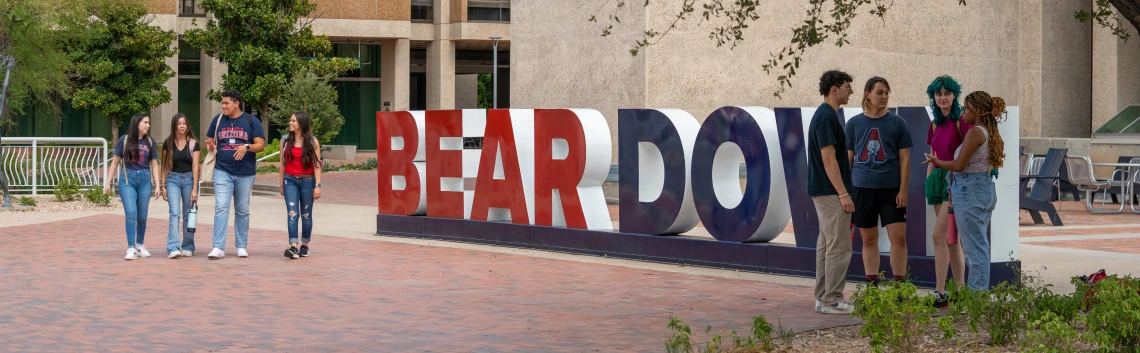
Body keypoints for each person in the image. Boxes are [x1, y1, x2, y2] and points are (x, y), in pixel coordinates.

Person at [924, 91, 1007, 291]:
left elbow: (960, 165)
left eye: (967, 108)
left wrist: (937, 162)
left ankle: (977, 296)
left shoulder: (975, 132)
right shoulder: (986, 130)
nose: (963, 112)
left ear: (977, 110)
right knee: (978, 245)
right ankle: (976, 293)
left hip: (970, 190)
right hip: (980, 188)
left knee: (974, 249)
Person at [845, 77, 913, 286]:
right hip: (862, 189)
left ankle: (899, 285)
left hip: (891, 189)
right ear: (867, 94)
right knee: (868, 239)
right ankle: (872, 285)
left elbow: (905, 159)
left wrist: (903, 190)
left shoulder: (897, 122)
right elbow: (848, 160)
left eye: (886, 93)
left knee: (898, 238)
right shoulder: (854, 123)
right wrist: (847, 192)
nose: (884, 97)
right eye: (880, 92)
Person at [808, 70, 856, 314]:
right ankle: (832, 300)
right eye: (848, 86)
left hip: (824, 190)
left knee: (827, 244)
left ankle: (822, 298)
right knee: (838, 246)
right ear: (834, 89)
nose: (851, 91)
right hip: (831, 192)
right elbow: (829, 160)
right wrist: (844, 194)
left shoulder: (826, 115)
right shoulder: (827, 117)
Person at [204, 90, 266, 259]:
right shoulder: (217, 120)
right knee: (221, 207)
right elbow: (210, 140)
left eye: (226, 103)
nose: (223, 106)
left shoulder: (251, 121)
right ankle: (218, 247)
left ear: (236, 104)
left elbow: (260, 145)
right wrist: (210, 146)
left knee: (242, 210)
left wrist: (246, 146)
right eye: (222, 103)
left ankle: (241, 246)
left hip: (245, 173)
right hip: (222, 170)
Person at [924, 75, 969, 306]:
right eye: (938, 93)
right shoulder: (934, 123)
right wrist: (929, 180)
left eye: (947, 93)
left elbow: (969, 153)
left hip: (954, 180)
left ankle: (940, 292)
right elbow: (933, 153)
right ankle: (960, 290)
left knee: (939, 236)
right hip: (937, 180)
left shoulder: (962, 121)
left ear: (954, 95)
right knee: (951, 239)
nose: (943, 97)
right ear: (933, 96)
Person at [104, 114, 160, 260]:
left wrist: (158, 185)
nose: (148, 125)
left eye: (149, 123)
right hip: (127, 180)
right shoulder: (125, 140)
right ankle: (131, 248)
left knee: (142, 215)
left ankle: (140, 244)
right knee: (131, 213)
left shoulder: (149, 141)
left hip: (145, 180)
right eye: (145, 122)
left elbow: (154, 164)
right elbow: (115, 162)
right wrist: (108, 182)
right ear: (137, 124)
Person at [279, 112, 323, 259]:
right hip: (290, 180)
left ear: (301, 123)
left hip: (308, 181)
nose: (290, 123)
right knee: (292, 214)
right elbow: (282, 164)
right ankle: (293, 246)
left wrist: (318, 185)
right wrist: (281, 185)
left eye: (293, 121)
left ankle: (305, 244)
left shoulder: (312, 141)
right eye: (290, 120)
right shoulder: (285, 141)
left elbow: (317, 164)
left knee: (306, 215)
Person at [159, 113, 201, 259]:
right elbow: (163, 165)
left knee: (188, 214)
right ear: (174, 126)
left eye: (184, 123)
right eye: (179, 124)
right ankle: (173, 247)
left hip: (189, 179)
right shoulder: (168, 143)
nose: (182, 126)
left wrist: (195, 188)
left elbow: (196, 167)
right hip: (172, 180)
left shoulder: (194, 143)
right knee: (174, 213)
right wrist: (162, 184)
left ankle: (188, 246)